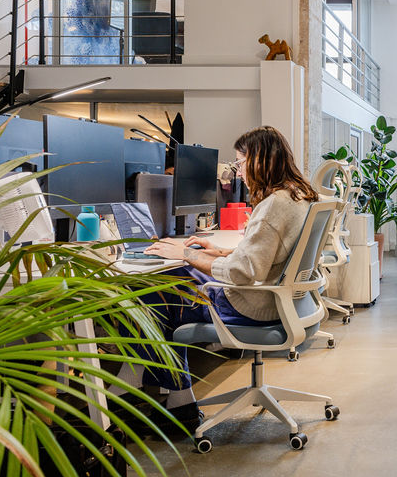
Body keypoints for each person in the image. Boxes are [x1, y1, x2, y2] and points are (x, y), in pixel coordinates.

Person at [132, 126, 319, 431]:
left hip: (253, 306)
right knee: (181, 276)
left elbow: (244, 273)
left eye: (240, 163)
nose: (239, 171)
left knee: (154, 290)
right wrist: (215, 251)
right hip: (284, 302)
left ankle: (178, 403)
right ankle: (170, 396)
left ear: (259, 161)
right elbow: (265, 260)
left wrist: (187, 255)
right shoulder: (298, 196)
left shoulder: (273, 206)